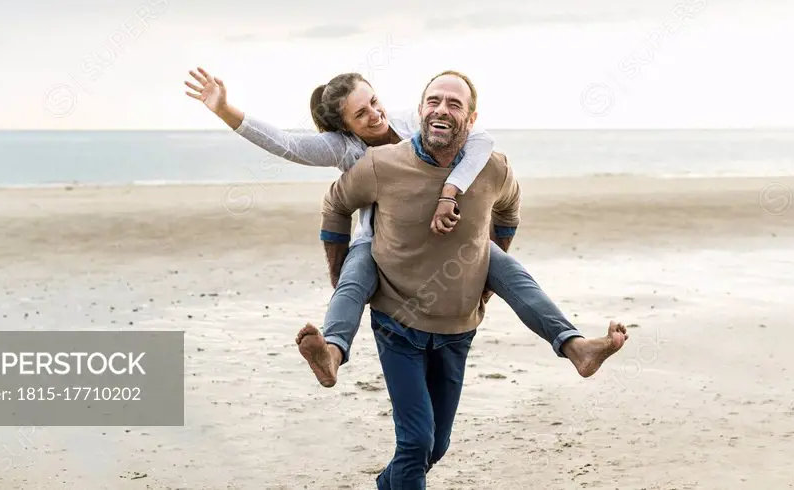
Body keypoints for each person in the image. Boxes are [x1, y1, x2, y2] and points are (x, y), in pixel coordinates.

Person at [183, 66, 621, 387]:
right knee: (352, 280)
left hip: (448, 241)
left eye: (374, 103)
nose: (375, 116)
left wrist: (452, 192)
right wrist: (224, 108)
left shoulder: (415, 121)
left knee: (513, 274)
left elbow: (481, 140)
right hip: (382, 243)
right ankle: (332, 354)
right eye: (361, 114)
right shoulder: (345, 149)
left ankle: (575, 346)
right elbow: (286, 144)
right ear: (343, 127)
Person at [317, 71, 627, 488]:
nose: (441, 109)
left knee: (435, 447)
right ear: (420, 109)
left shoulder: (493, 168)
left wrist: (486, 270)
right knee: (415, 442)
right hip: (397, 325)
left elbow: (510, 209)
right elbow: (335, 204)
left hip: (457, 327)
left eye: (454, 104)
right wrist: (337, 268)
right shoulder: (381, 164)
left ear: (471, 118)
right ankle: (334, 350)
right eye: (433, 101)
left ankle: (386, 484)